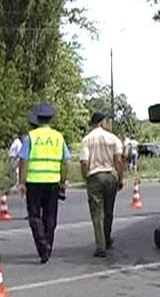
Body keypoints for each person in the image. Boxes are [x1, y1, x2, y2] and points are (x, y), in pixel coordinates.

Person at [18, 103, 71, 264]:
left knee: (34, 216)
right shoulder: (58, 137)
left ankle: (42, 246)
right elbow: (66, 161)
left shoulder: (30, 137)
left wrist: (21, 182)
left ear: (37, 119)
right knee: (50, 217)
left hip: (34, 182)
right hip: (53, 182)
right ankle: (47, 244)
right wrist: (63, 181)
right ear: (50, 119)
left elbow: (24, 161)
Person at [79, 111, 124, 258]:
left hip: (95, 176)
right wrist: (120, 178)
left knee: (97, 213)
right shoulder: (114, 139)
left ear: (93, 123)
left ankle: (100, 246)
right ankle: (107, 237)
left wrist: (86, 177)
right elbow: (118, 160)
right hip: (110, 175)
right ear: (103, 122)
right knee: (108, 210)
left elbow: (84, 162)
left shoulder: (87, 140)